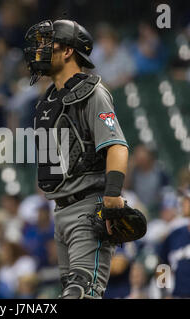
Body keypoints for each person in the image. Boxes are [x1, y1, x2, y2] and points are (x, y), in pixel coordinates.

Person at [23, 19, 130, 299]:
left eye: (48, 44)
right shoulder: (48, 100)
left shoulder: (91, 93)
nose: (40, 50)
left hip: (87, 208)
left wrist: (112, 197)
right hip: (61, 213)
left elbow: (117, 146)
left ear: (68, 51)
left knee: (81, 293)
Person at [158, 184, 190, 298]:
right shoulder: (175, 234)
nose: (182, 203)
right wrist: (165, 293)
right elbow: (162, 265)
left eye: (187, 200)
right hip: (178, 295)